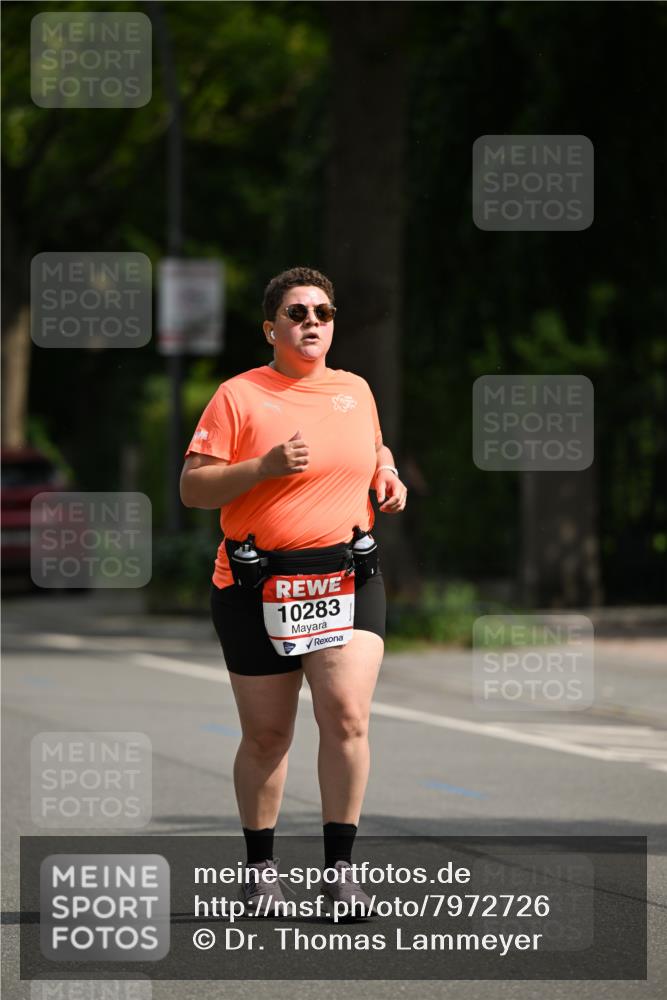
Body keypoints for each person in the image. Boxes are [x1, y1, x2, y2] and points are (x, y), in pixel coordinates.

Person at [180, 266, 407, 917]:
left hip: (344, 576)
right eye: (297, 312)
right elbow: (193, 489)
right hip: (257, 584)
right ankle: (259, 871)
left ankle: (340, 874)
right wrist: (263, 467)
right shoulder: (239, 396)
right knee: (267, 736)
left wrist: (387, 474)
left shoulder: (354, 389)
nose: (311, 322)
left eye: (323, 313)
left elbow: (372, 447)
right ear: (270, 328)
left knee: (344, 714)